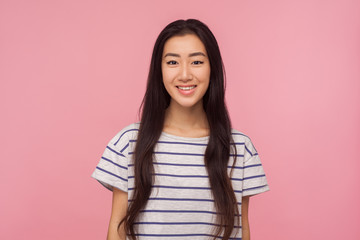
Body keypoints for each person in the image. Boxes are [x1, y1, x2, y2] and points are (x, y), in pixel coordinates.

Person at [91, 19, 269, 240]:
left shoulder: (240, 148)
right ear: (160, 70)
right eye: (173, 62)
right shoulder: (129, 143)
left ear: (212, 68)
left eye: (196, 62)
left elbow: (242, 233)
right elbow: (116, 231)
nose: (185, 75)